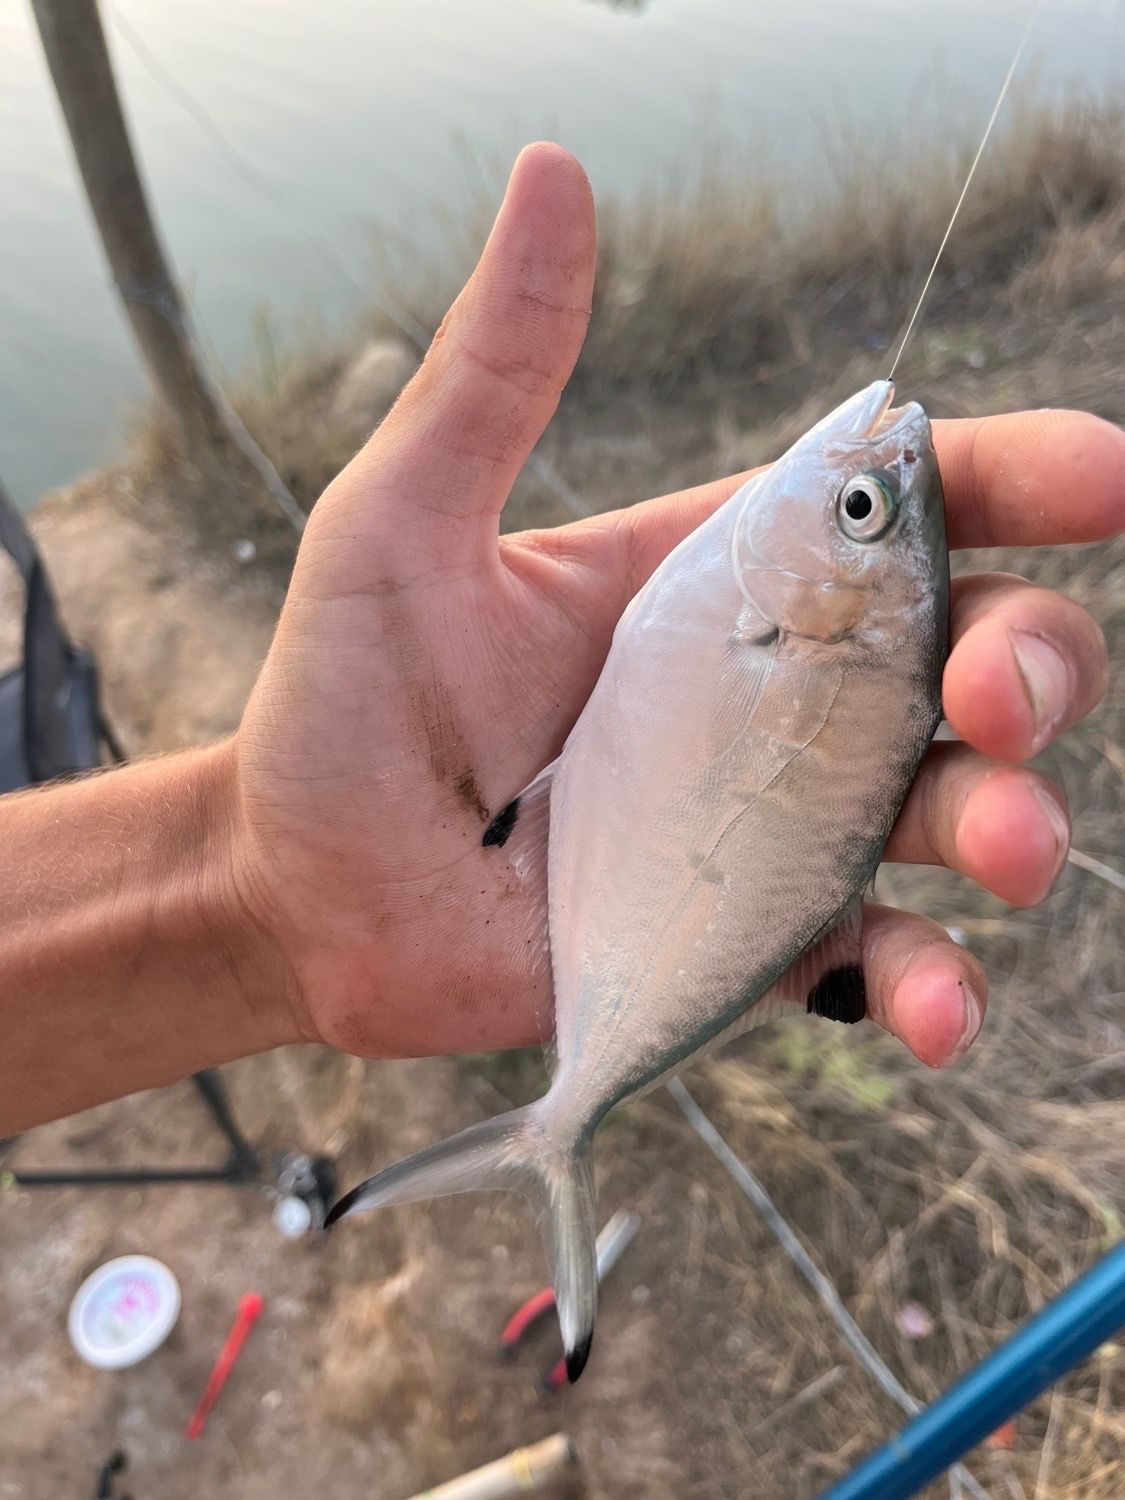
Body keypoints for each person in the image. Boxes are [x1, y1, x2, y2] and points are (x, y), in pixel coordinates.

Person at [1, 144, 1119, 1136]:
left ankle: (559, 1125)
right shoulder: (746, 592)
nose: (855, 480)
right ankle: (561, 1117)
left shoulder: (769, 595)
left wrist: (254, 896)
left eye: (856, 511)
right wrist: (247, 889)